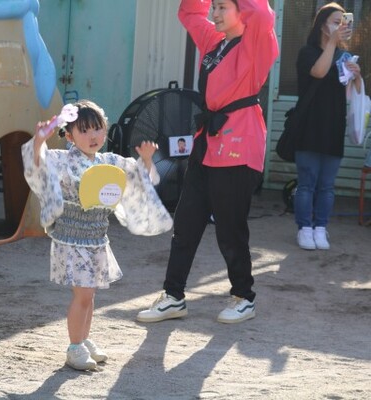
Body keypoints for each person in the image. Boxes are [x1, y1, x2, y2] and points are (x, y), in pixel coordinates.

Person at [136, 0, 278, 324]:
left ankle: (244, 297)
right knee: (185, 223)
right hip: (207, 142)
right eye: (214, 6)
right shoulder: (215, 41)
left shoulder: (258, 40)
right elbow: (189, 12)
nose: (215, 13)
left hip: (240, 143)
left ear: (241, 10)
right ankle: (173, 296)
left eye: (223, 7)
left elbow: (261, 13)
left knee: (230, 228)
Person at [22, 100, 172, 370]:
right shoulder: (62, 160)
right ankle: (74, 347)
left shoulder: (110, 161)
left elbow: (138, 177)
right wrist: (39, 142)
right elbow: (36, 166)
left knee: (89, 296)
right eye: (84, 130)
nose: (93, 136)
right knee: (83, 295)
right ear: (69, 136)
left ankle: (83, 339)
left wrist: (147, 160)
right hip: (72, 237)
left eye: (97, 128)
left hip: (97, 237)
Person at [293, 3, 361, 251]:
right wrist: (332, 43)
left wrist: (357, 76)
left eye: (344, 21)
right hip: (309, 126)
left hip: (333, 126)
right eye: (336, 21)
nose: (341, 26)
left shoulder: (344, 57)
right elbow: (319, 72)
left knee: (327, 185)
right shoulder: (307, 52)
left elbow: (352, 93)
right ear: (322, 25)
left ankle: (321, 227)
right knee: (307, 183)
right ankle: (304, 228)